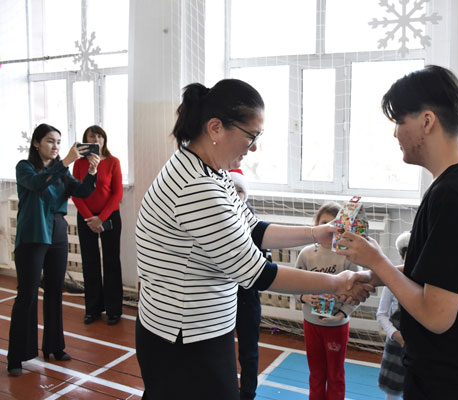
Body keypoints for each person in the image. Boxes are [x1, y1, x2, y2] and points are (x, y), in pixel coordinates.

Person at [134, 79, 373, 399]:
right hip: (183, 336)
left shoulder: (211, 172)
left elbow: (253, 229)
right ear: (216, 128)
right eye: (251, 135)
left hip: (197, 328)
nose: (254, 147)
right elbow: (256, 272)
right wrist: (336, 283)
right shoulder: (197, 188)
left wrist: (316, 233)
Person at [337, 65, 458, 400]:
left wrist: (377, 260)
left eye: (399, 122)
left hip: (448, 383)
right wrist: (375, 276)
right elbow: (443, 275)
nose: (395, 134)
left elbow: (436, 316)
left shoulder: (456, 195)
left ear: (427, 121)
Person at [7, 123, 99, 376]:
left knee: (55, 291)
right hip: (33, 234)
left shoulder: (62, 172)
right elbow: (38, 183)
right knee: (26, 295)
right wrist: (66, 161)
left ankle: (54, 347)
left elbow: (83, 191)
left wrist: (92, 171)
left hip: (57, 233)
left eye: (58, 141)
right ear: (36, 143)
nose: (56, 146)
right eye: (50, 141)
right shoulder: (24, 167)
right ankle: (16, 356)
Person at [294, 202, 360, 400]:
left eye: (335, 224)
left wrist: (341, 314)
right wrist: (304, 297)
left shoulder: (348, 257)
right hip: (311, 324)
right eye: (325, 223)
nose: (330, 229)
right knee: (316, 373)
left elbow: (358, 292)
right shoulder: (306, 254)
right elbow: (293, 285)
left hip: (337, 326)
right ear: (316, 225)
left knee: (335, 375)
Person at [72, 125, 124, 326]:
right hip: (86, 218)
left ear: (104, 139)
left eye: (99, 136)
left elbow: (117, 194)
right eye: (91, 136)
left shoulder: (113, 162)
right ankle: (92, 309)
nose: (96, 139)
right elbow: (76, 193)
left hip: (109, 217)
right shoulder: (79, 164)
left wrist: (100, 218)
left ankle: (113, 310)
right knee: (90, 262)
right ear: (86, 141)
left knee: (111, 262)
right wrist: (89, 219)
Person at [230, 168, 269, 400]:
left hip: (247, 298)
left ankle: (248, 393)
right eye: (231, 189)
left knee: (249, 350)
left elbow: (260, 265)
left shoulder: (253, 222)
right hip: (223, 299)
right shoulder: (218, 220)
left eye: (239, 190)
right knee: (224, 350)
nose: (236, 194)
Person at [376, 231, 410, 400]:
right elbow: (381, 314)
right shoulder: (393, 279)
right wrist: (395, 334)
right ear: (402, 257)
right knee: (392, 389)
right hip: (396, 344)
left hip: (420, 348)